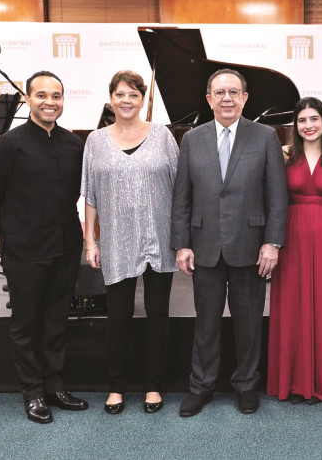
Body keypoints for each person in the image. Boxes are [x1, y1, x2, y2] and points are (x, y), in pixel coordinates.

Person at [171, 68, 287, 417]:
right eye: (220, 92)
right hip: (203, 244)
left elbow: (277, 196)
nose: (227, 98)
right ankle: (201, 386)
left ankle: (247, 384)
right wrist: (181, 243)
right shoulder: (192, 139)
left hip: (251, 246)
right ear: (208, 99)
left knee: (249, 321)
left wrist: (273, 243)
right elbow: (182, 196)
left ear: (245, 98)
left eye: (234, 92)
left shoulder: (265, 136)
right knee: (205, 321)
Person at [0, 71, 89, 424]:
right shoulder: (7, 145)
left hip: (65, 247)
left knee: (57, 320)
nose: (49, 102)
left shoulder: (74, 144)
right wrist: (9, 234)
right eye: (41, 95)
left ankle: (55, 385)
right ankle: (32, 392)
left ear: (62, 100)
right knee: (26, 324)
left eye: (56, 95)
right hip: (25, 251)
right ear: (27, 99)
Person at [81, 70, 179, 415]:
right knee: (118, 314)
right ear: (111, 98)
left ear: (142, 100)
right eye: (120, 94)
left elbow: (181, 189)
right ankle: (116, 386)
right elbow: (89, 195)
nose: (126, 100)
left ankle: (154, 384)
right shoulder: (95, 141)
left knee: (157, 313)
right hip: (117, 241)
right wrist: (90, 242)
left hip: (160, 238)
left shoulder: (163, 136)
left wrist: (182, 239)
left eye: (133, 95)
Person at [267, 97, 322, 403]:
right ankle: (294, 381)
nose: (308, 126)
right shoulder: (283, 154)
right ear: (295, 125)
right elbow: (273, 200)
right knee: (292, 304)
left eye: (314, 119)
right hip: (291, 237)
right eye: (302, 120)